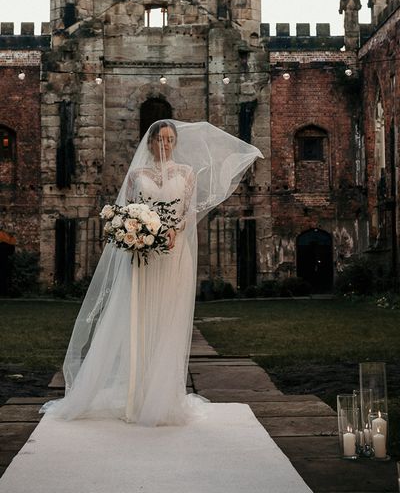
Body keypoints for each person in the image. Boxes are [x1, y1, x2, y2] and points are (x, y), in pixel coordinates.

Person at [41, 119, 262, 426]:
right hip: (141, 254)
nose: (165, 144)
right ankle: (135, 397)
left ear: (175, 143)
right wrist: (133, 231)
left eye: (170, 139)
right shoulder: (136, 175)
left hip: (173, 254)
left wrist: (175, 231)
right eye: (160, 139)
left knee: (167, 319)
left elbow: (190, 212)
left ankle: (164, 396)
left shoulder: (186, 174)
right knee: (139, 319)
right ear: (150, 143)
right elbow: (126, 211)